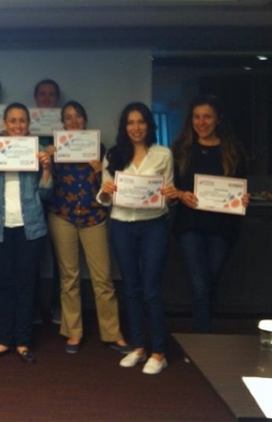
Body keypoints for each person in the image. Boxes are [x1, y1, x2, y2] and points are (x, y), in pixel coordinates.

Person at [98, 102, 175, 375]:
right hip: (122, 224)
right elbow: (104, 197)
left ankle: (159, 352)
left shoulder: (163, 154)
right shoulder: (113, 155)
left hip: (154, 225)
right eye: (130, 122)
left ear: (149, 125)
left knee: (151, 289)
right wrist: (106, 191)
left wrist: (169, 194)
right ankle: (139, 347)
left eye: (141, 122)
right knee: (130, 288)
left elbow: (168, 192)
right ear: (124, 127)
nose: (136, 127)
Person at [48, 101, 130, 354]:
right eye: (68, 117)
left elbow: (107, 188)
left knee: (103, 278)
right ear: (63, 123)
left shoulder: (100, 148)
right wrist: (47, 158)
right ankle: (73, 332)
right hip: (62, 216)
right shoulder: (55, 149)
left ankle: (112, 332)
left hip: (93, 216)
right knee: (69, 278)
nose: (74, 121)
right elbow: (46, 184)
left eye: (78, 116)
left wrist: (99, 171)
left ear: (85, 119)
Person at [171, 94, 249, 334]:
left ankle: (204, 332)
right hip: (190, 225)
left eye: (207, 117)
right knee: (199, 283)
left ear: (218, 120)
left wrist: (243, 198)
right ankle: (203, 338)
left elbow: (240, 187)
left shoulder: (233, 151)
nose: (201, 122)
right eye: (196, 117)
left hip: (222, 228)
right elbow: (170, 187)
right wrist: (180, 194)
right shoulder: (180, 150)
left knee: (209, 281)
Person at [0, 103, 53, 363]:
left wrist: (46, 169)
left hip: (30, 227)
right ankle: (4, 340)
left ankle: (22, 342)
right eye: (12, 120)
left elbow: (45, 194)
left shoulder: (38, 151)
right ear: (4, 124)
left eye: (22, 120)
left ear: (28, 124)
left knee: (26, 285)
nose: (17, 125)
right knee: (4, 285)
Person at [34, 78, 61, 325]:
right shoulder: (24, 129)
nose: (46, 98)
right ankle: (32, 308)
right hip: (32, 200)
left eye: (51, 94)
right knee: (31, 257)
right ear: (36, 99)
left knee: (60, 257)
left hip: (60, 201)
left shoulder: (67, 131)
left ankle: (58, 307)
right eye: (42, 94)